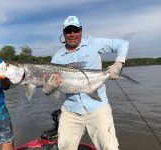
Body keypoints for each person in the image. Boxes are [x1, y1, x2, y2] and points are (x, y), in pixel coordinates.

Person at [43, 16, 129, 150]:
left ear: (81, 31)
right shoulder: (57, 57)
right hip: (71, 110)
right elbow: (54, 91)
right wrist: (48, 89)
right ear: (64, 33)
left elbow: (123, 44)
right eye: (68, 30)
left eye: (75, 30)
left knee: (109, 147)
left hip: (98, 106)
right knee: (64, 147)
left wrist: (118, 64)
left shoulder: (94, 43)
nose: (72, 34)